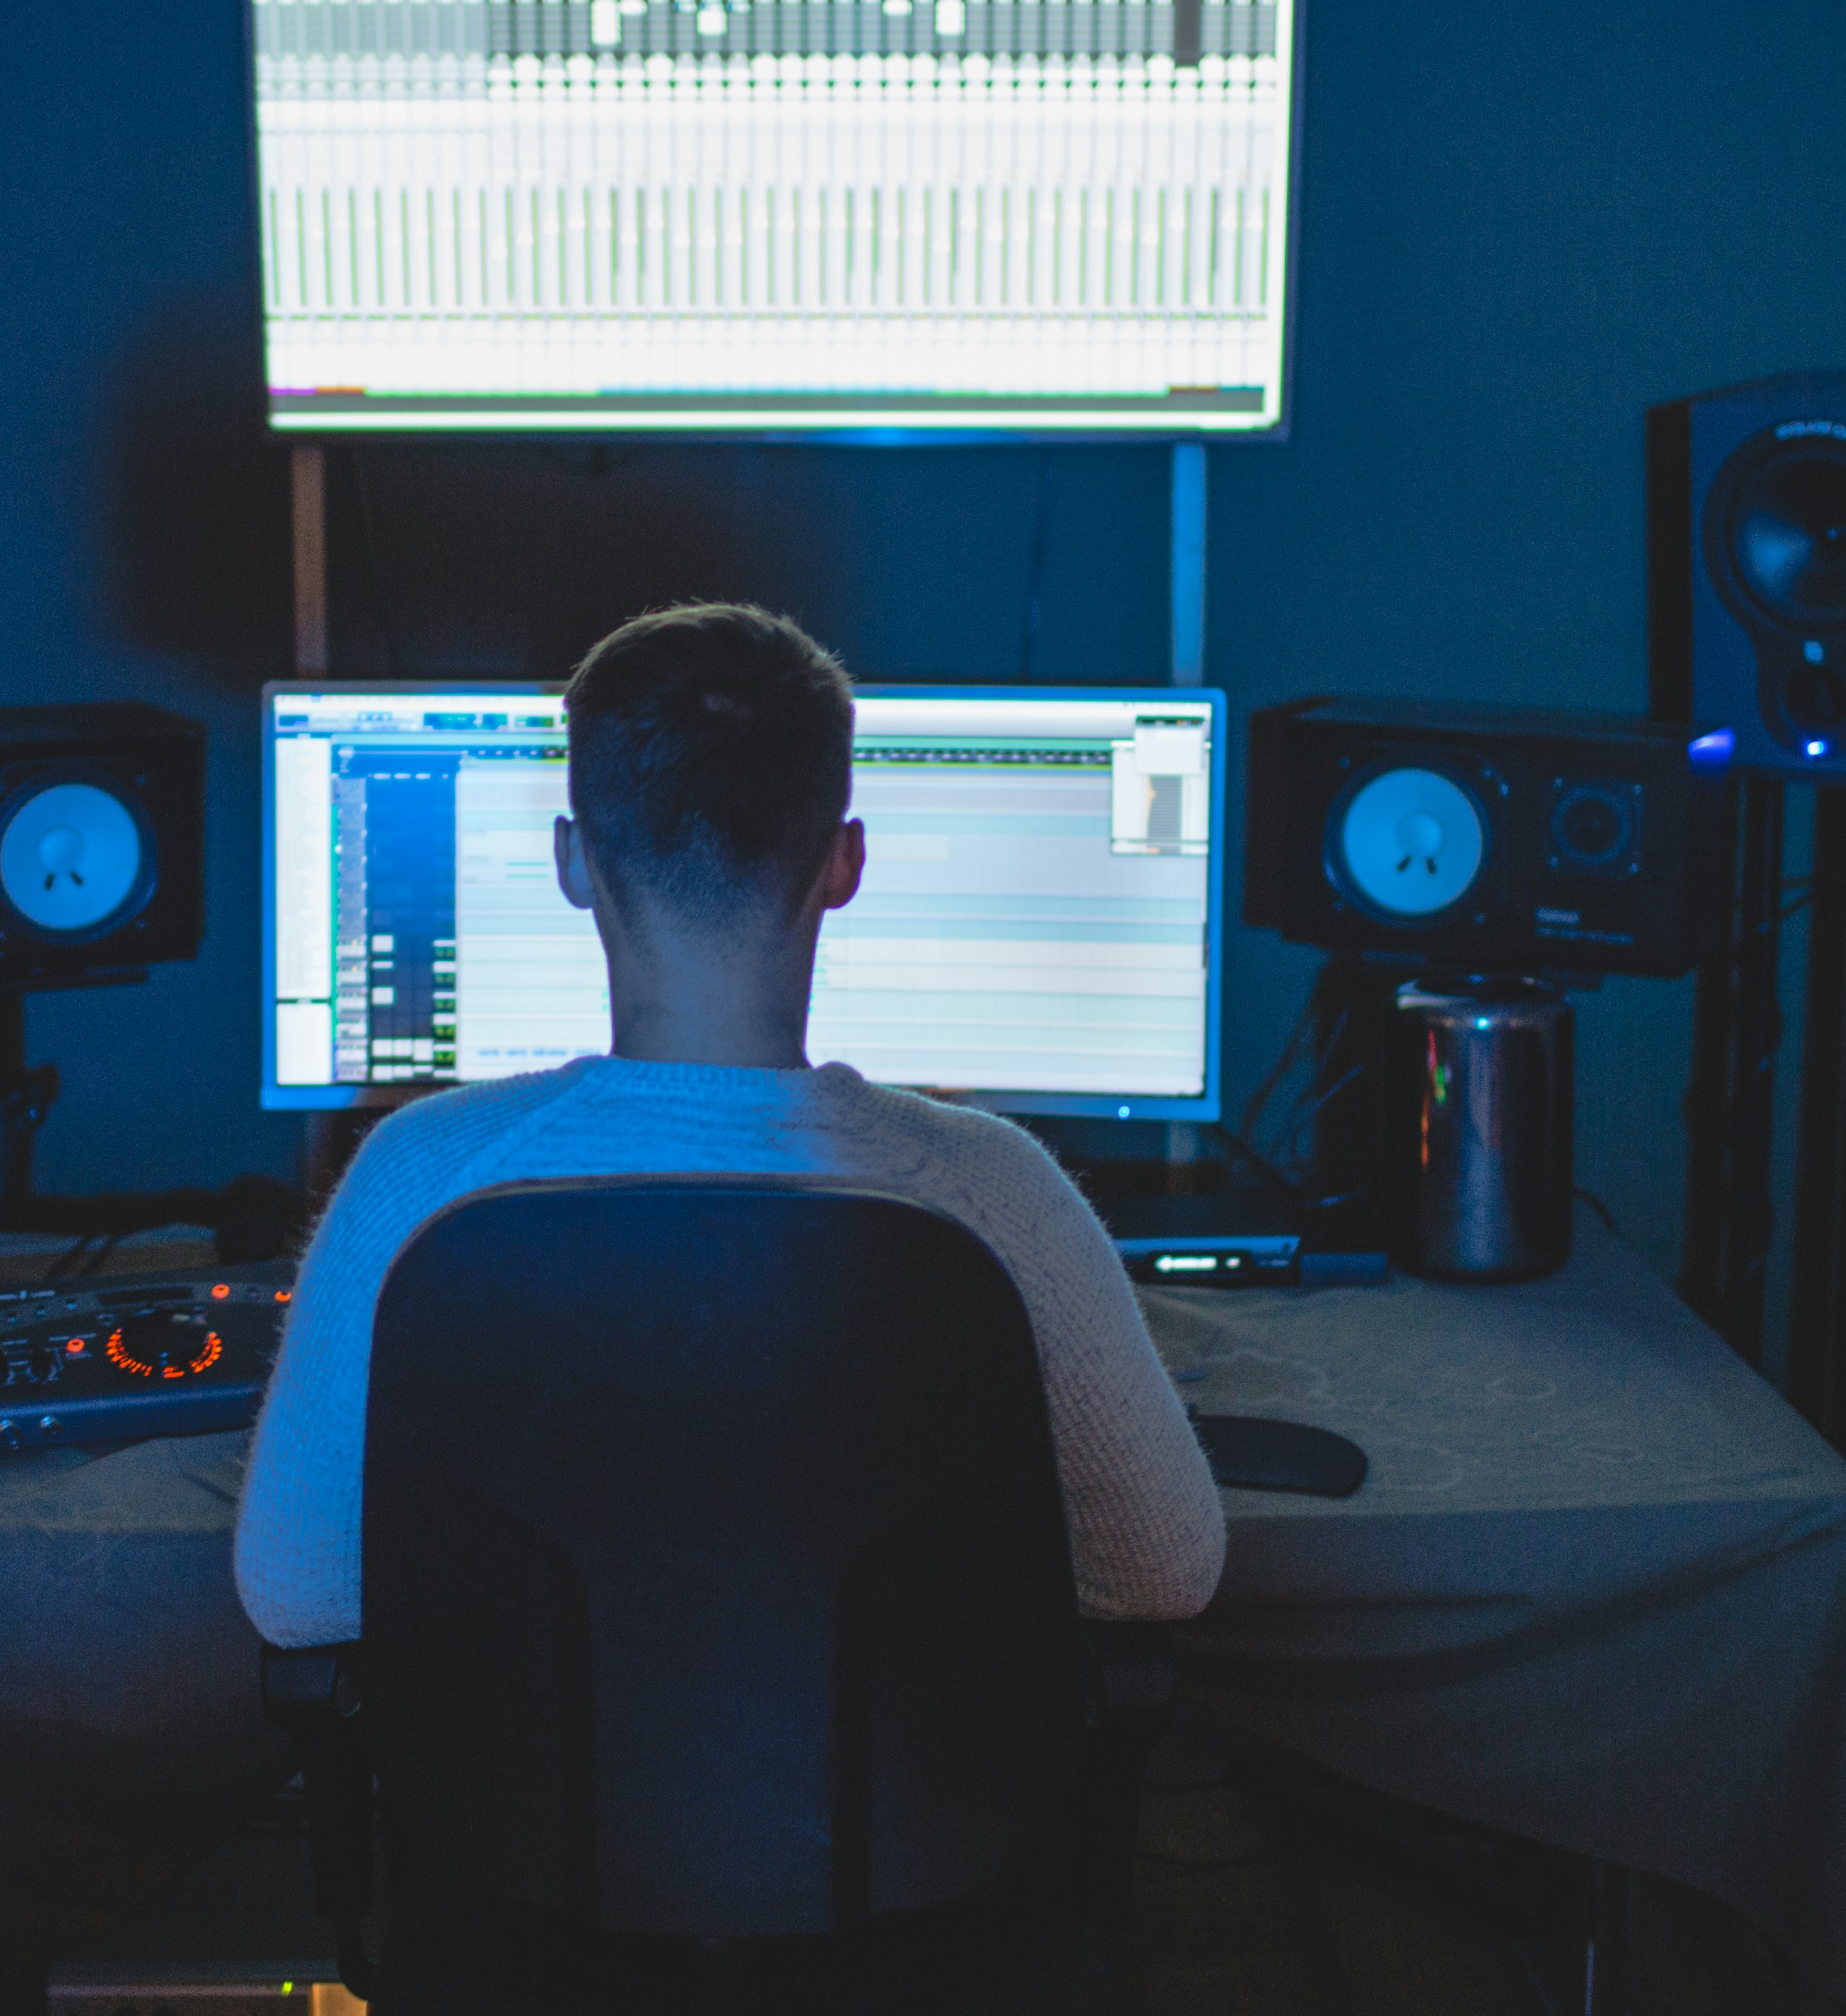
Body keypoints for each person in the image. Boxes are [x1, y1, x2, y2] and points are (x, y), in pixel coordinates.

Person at [234, 602, 1226, 1647]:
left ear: (572, 861)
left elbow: (296, 1596)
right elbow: (1166, 1572)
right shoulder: (997, 1191)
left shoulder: (419, 1178)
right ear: (846, 863)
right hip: (895, 1804)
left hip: (515, 1807)